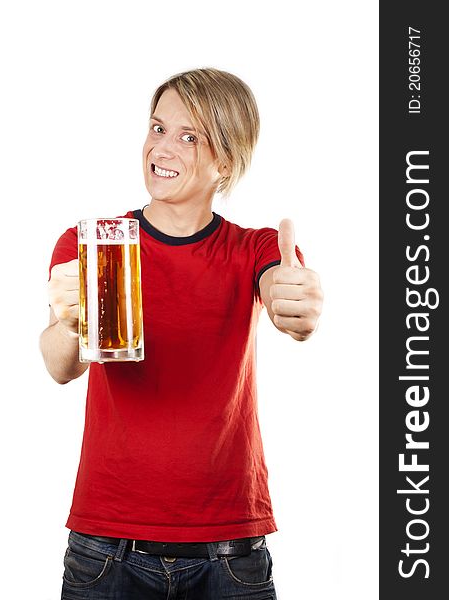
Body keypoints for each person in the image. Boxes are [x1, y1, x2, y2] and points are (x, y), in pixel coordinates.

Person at [40, 67, 323, 600]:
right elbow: (59, 365)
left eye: (189, 137)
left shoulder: (254, 250)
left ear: (226, 160)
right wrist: (72, 321)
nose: (162, 147)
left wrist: (295, 304)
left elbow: (286, 296)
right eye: (157, 127)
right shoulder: (97, 246)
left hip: (229, 551)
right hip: (105, 548)